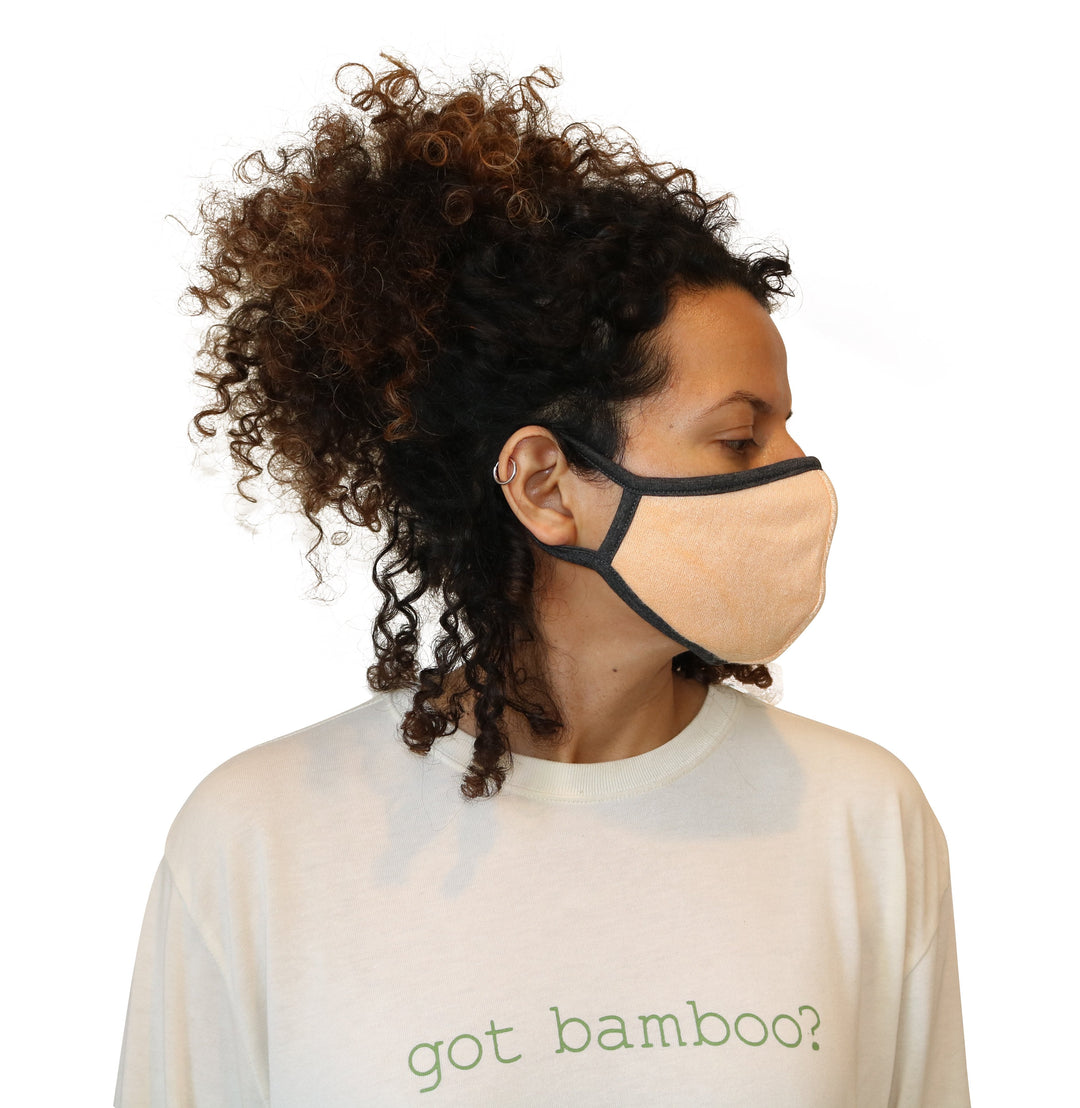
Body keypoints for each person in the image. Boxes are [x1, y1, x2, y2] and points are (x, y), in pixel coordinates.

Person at [115, 57, 970, 1106]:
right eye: (740, 437)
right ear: (544, 484)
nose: (798, 476)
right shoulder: (260, 839)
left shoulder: (860, 818)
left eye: (787, 430)